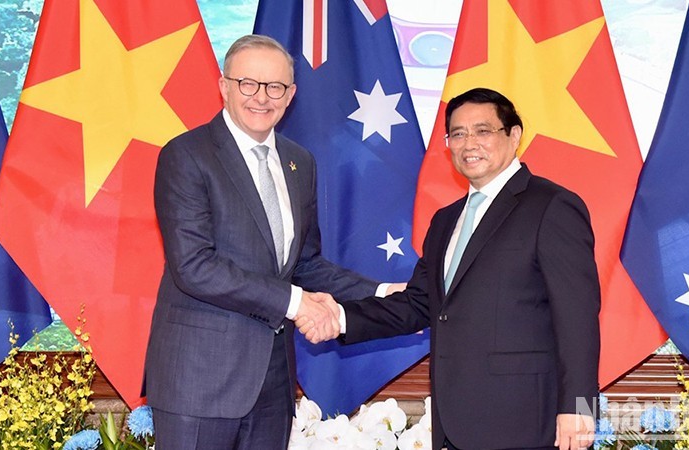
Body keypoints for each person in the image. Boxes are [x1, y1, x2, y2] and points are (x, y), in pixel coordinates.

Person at [299, 88, 601, 450]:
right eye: (457, 133)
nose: (469, 142)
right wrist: (340, 318)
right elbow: (419, 305)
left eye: (483, 131)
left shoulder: (552, 206)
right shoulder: (445, 221)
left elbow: (579, 317)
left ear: (515, 135)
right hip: (454, 422)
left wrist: (581, 409)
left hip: (527, 421)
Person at [143, 34, 397, 449]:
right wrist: (297, 304)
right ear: (224, 86)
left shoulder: (300, 163)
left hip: (273, 384)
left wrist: (384, 293)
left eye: (275, 87)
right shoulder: (186, 155)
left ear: (291, 94)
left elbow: (306, 264)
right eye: (248, 83)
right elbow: (194, 267)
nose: (262, 97)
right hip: (199, 380)